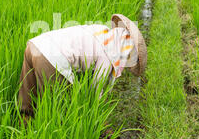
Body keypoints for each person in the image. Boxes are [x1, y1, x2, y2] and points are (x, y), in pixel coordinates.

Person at [18, 14, 147, 117]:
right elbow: (95, 89)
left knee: (27, 100)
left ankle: (22, 133)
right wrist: (98, 116)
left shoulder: (100, 31)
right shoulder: (108, 54)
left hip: (35, 44)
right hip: (51, 57)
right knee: (60, 109)